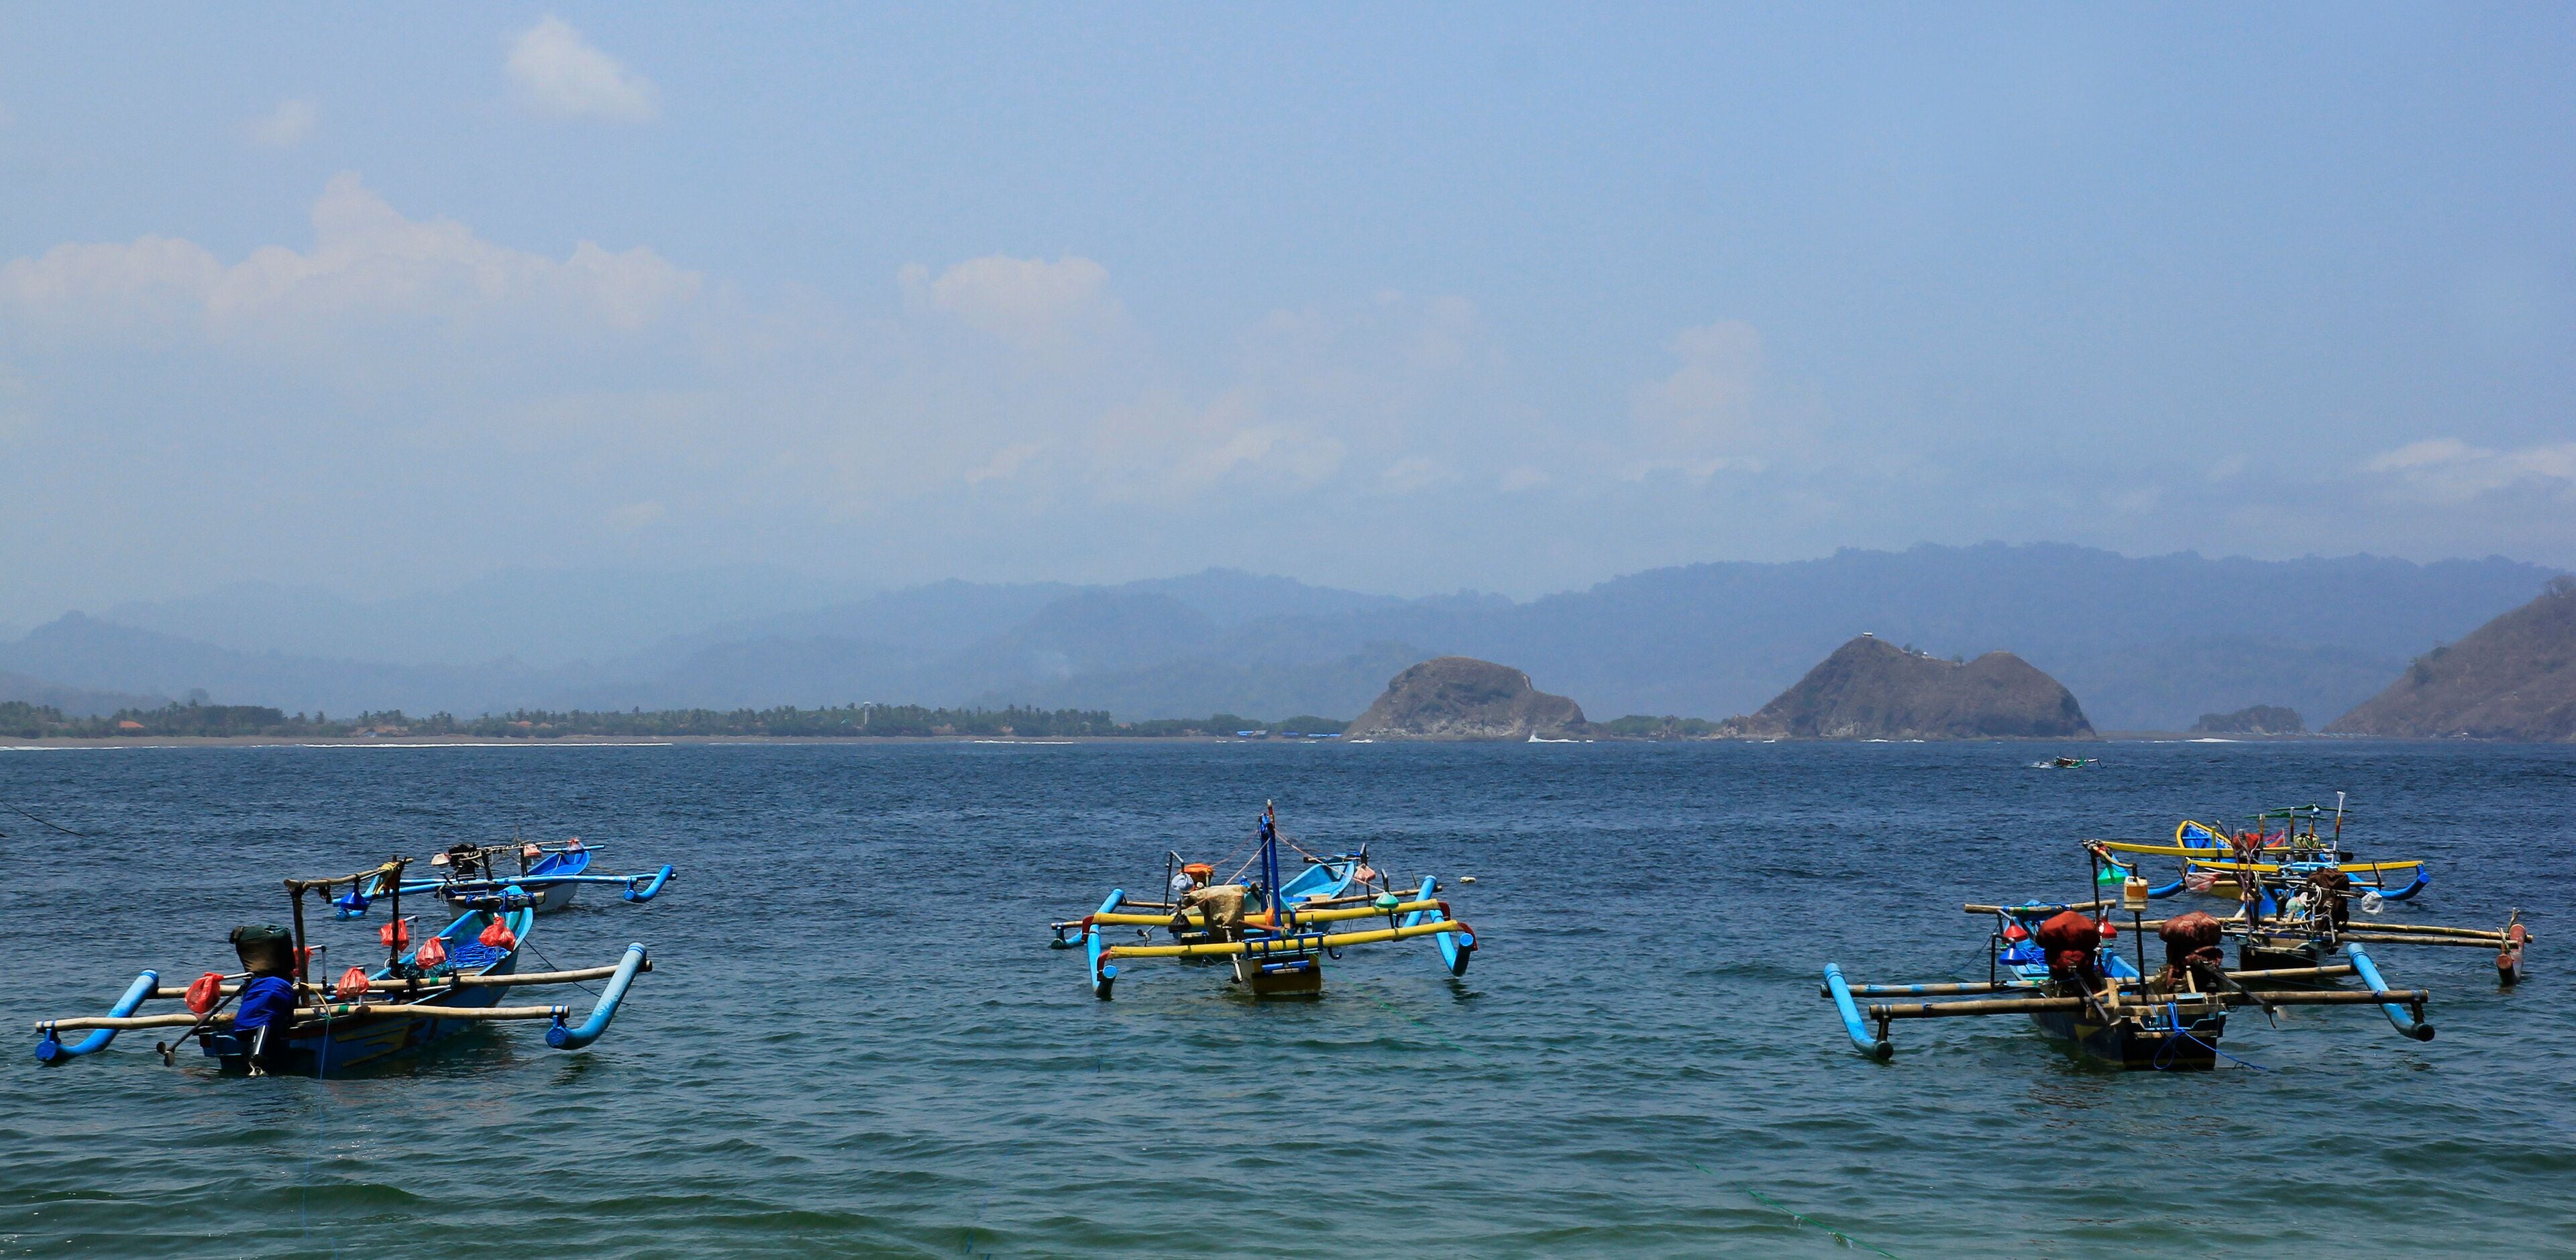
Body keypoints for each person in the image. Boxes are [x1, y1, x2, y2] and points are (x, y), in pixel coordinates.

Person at [227, 925, 303, 1075]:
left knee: (262, 1019)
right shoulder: (284, 986)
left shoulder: (254, 984)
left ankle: (253, 1059)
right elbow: (289, 1014)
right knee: (268, 1019)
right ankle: (257, 1061)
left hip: (245, 1025)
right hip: (268, 1018)